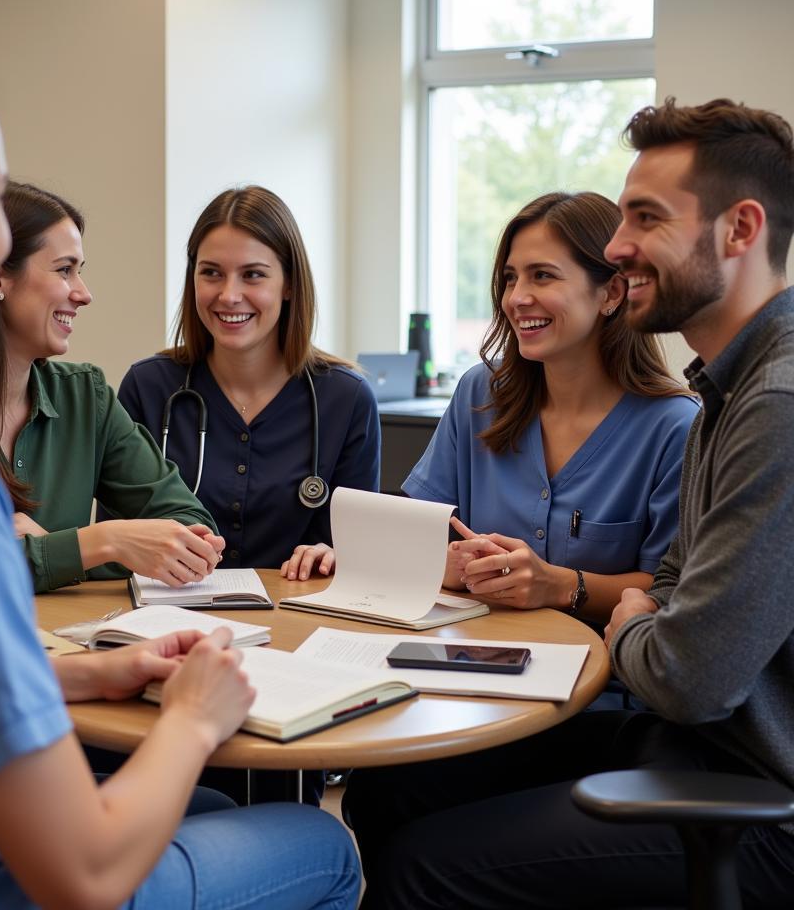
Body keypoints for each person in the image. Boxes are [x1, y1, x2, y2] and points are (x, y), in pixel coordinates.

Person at [0, 18, 360, 910]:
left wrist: (91, 671)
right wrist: (198, 718)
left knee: (198, 804)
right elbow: (84, 875)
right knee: (321, 841)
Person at [343, 98, 794, 908]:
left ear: (740, 230)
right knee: (386, 794)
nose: (620, 248)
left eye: (645, 219)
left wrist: (620, 611)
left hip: (753, 793)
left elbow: (687, 668)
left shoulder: (773, 404)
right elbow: (671, 598)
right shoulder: (726, 389)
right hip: (683, 741)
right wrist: (649, 615)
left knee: (422, 867)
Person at [0, 180, 224, 594]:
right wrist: (101, 542)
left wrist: (56, 550)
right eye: (64, 269)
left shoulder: (86, 397)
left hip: (72, 646)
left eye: (80, 271)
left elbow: (194, 533)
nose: (84, 294)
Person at [404, 191, 697, 623]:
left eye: (542, 276)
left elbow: (668, 592)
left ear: (612, 293)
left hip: (599, 680)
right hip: (464, 662)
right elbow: (414, 536)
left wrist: (559, 584)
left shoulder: (675, 427)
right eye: (510, 278)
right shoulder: (479, 393)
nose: (517, 298)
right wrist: (442, 562)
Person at [117, 185, 380, 576]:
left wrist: (337, 553)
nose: (229, 294)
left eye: (253, 275)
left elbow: (361, 548)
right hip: (170, 619)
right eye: (211, 273)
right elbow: (116, 540)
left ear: (289, 284)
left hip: (296, 623)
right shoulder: (148, 387)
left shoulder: (346, 398)